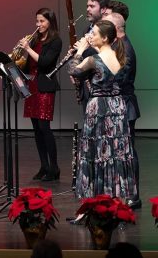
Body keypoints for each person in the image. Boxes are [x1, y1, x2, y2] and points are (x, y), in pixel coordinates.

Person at [67, 20, 137, 199]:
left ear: (105, 38)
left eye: (94, 34)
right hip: (117, 107)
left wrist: (80, 51)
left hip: (99, 108)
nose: (90, 36)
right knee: (114, 153)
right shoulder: (119, 55)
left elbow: (74, 71)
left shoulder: (92, 60)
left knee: (97, 152)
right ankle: (113, 198)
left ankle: (96, 200)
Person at [18, 8, 62, 181]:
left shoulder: (55, 41)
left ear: (50, 21)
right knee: (36, 129)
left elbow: (44, 62)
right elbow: (28, 63)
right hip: (31, 86)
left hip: (44, 86)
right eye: (37, 21)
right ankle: (44, 166)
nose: (38, 25)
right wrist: (19, 56)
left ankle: (54, 167)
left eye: (42, 21)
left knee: (45, 128)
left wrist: (28, 48)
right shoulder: (35, 38)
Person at [104, 12, 141, 209]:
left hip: (125, 107)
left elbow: (117, 79)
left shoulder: (125, 48)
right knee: (121, 153)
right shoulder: (118, 45)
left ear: (117, 28)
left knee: (128, 153)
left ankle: (133, 196)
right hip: (119, 106)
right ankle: (122, 194)